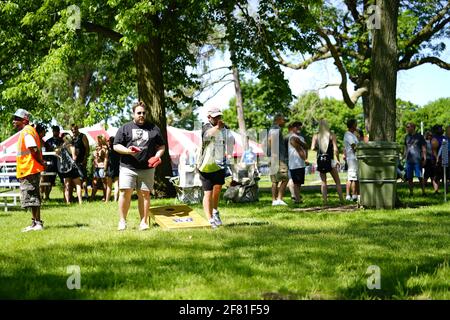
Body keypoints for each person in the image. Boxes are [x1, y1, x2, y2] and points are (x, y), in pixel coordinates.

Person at [113, 101, 166, 231]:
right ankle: (122, 221)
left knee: (145, 194)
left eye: (143, 113)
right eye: (139, 113)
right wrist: (127, 151)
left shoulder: (154, 128)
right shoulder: (125, 128)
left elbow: (162, 146)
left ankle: (143, 222)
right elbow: (116, 145)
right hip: (127, 167)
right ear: (133, 114)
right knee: (125, 193)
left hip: (147, 168)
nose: (141, 115)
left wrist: (157, 156)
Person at [198, 106, 233, 228]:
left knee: (217, 188)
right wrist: (218, 128)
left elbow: (230, 141)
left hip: (219, 164)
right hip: (205, 165)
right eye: (215, 117)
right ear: (209, 117)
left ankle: (215, 211)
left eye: (219, 116)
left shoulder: (225, 128)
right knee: (208, 192)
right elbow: (207, 136)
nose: (218, 119)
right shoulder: (205, 127)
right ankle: (210, 219)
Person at [12, 109, 46, 232]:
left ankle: (38, 223)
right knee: (31, 197)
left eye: (16, 119)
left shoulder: (26, 131)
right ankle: (34, 223)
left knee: (33, 197)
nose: (13, 121)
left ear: (24, 120)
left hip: (30, 169)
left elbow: (33, 149)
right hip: (28, 169)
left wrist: (40, 162)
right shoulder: (28, 131)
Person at [311, 119, 344, 205]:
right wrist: (338, 160)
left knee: (323, 182)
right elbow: (336, 149)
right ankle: (341, 200)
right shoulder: (331, 135)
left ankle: (325, 201)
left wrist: (319, 149)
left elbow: (312, 148)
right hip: (330, 160)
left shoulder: (316, 136)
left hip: (320, 160)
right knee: (337, 181)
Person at [268, 114, 289, 206]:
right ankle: (279, 199)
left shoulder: (272, 128)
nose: (284, 122)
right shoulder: (276, 128)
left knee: (274, 181)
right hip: (278, 158)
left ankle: (274, 200)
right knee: (285, 178)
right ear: (279, 120)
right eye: (283, 120)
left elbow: (269, 140)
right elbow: (271, 140)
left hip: (273, 157)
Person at [58, 133, 83, 204]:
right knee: (78, 184)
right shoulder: (72, 147)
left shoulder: (62, 147)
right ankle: (80, 201)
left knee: (66, 185)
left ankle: (67, 201)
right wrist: (76, 154)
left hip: (65, 168)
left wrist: (62, 159)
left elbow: (56, 153)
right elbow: (74, 157)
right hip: (72, 168)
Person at [286, 121, 307, 205]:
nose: (299, 128)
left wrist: (300, 142)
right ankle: (297, 199)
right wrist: (305, 159)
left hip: (301, 163)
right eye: (297, 127)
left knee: (299, 183)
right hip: (295, 164)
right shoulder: (292, 137)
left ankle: (297, 198)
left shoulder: (300, 138)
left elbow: (306, 147)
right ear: (293, 128)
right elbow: (299, 149)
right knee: (296, 183)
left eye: (300, 127)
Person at [404, 123, 427, 196]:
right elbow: (405, 147)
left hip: (417, 160)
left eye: (408, 127)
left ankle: (423, 192)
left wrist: (424, 158)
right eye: (406, 127)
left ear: (413, 127)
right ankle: (411, 193)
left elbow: (424, 148)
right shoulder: (406, 137)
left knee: (419, 176)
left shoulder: (420, 136)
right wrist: (405, 157)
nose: (407, 128)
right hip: (408, 160)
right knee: (409, 177)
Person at [43, 125, 64, 199]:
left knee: (63, 180)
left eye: (57, 131)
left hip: (61, 163)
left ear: (59, 131)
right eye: (54, 131)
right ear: (53, 131)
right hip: (51, 163)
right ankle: (47, 196)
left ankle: (66, 197)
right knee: (50, 182)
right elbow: (45, 153)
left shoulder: (62, 141)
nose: (55, 132)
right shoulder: (48, 141)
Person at [71, 124, 90, 199]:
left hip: (82, 160)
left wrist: (85, 158)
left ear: (77, 129)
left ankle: (86, 193)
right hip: (75, 161)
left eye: (75, 129)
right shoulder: (72, 138)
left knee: (83, 177)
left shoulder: (83, 136)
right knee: (76, 178)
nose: (73, 131)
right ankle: (78, 194)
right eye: (72, 130)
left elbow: (87, 148)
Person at [343, 119, 360, 201]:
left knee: (355, 176)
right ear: (352, 125)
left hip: (354, 158)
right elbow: (354, 146)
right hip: (351, 158)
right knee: (352, 177)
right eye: (355, 124)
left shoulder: (353, 135)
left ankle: (354, 194)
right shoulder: (348, 135)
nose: (356, 125)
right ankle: (350, 195)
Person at [90, 134, 109, 201]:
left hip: (102, 167)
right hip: (96, 167)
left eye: (99, 140)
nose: (97, 141)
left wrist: (105, 169)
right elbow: (94, 158)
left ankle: (105, 196)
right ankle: (92, 197)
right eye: (97, 140)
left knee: (104, 182)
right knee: (94, 181)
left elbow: (106, 159)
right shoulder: (95, 148)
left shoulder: (105, 149)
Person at [105, 136, 120, 202]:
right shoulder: (118, 150)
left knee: (109, 186)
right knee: (116, 185)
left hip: (110, 169)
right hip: (117, 168)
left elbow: (106, 160)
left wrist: (105, 169)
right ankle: (115, 200)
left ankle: (107, 200)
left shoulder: (108, 150)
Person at [431, 124, 444, 194]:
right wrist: (437, 159)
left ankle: (446, 189)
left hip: (444, 158)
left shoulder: (444, 137)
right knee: (436, 175)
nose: (442, 129)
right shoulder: (434, 139)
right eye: (440, 128)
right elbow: (434, 151)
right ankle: (436, 190)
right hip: (437, 159)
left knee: (444, 174)